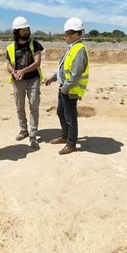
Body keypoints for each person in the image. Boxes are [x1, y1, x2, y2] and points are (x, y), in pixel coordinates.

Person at [45, 17, 89, 155]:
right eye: (66, 33)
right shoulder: (71, 48)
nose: (66, 36)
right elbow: (64, 68)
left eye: (69, 33)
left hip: (70, 90)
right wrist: (53, 77)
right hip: (64, 87)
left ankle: (71, 144)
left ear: (78, 34)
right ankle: (65, 136)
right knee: (60, 112)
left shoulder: (80, 50)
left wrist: (64, 89)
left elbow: (76, 74)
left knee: (70, 117)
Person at [6, 16, 44, 149]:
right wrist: (14, 72)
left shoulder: (35, 44)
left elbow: (37, 62)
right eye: (23, 30)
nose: (27, 32)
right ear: (17, 32)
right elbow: (9, 65)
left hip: (33, 79)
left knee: (34, 105)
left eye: (27, 29)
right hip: (18, 82)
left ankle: (33, 135)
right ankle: (23, 130)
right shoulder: (10, 48)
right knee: (19, 106)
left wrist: (23, 71)